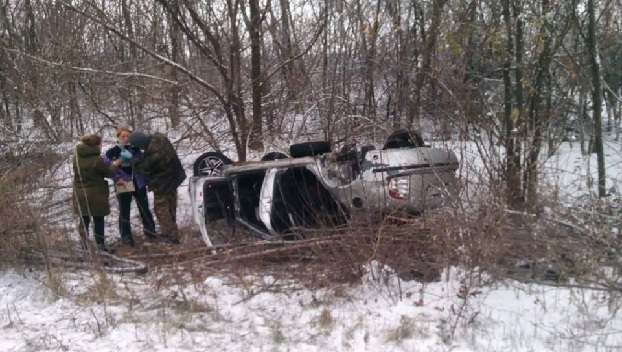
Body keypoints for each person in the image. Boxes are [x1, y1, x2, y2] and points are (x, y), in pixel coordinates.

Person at [104, 127, 157, 249]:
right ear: (118, 137)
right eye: (123, 136)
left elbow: (144, 164)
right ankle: (126, 237)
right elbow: (108, 169)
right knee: (124, 210)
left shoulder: (137, 149)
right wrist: (117, 177)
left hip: (138, 181)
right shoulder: (112, 151)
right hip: (124, 182)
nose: (126, 138)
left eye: (128, 136)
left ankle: (151, 232)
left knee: (144, 208)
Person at [129, 131, 186, 244]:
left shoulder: (153, 155)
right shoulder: (161, 139)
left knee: (161, 209)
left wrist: (131, 160)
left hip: (162, 183)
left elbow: (143, 168)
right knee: (171, 206)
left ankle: (170, 236)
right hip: (175, 178)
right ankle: (173, 233)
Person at [73, 134, 123, 252]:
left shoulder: (76, 157)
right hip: (96, 194)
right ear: (96, 146)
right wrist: (115, 164)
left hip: (80, 192)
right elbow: (108, 173)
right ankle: (101, 246)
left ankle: (84, 245)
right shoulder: (97, 160)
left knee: (84, 219)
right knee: (98, 220)